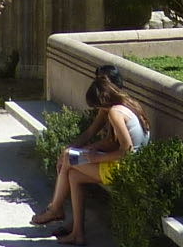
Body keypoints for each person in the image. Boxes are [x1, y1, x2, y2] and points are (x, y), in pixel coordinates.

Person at [30, 64, 148, 243]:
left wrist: (97, 157)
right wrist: (85, 150)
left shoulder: (115, 112)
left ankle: (55, 209)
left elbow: (127, 149)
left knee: (68, 159)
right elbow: (112, 142)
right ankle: (77, 233)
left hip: (123, 169)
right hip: (131, 166)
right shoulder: (129, 104)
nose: (99, 111)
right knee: (74, 175)